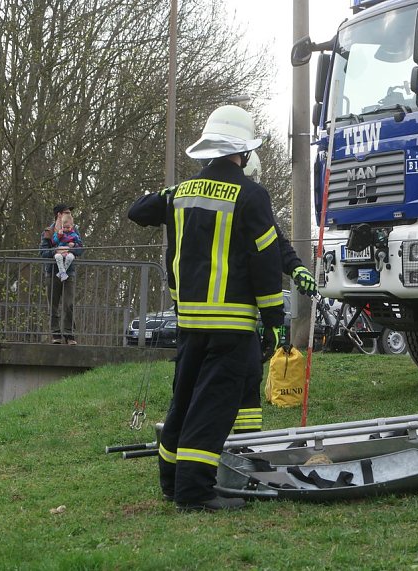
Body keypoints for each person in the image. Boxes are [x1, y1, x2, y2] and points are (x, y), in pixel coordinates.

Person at [128, 105, 284, 512]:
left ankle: (170, 481)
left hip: (189, 321)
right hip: (232, 324)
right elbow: (266, 261)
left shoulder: (181, 194)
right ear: (244, 153)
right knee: (213, 406)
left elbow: (136, 211)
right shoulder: (252, 195)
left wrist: (167, 195)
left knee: (184, 400)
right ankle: (195, 492)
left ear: (209, 148)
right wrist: (274, 321)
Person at [233, 150, 316, 434]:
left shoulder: (248, 205)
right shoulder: (243, 201)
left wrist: (297, 268)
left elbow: (276, 240)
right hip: (231, 312)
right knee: (240, 377)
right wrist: (273, 321)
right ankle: (241, 445)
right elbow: (267, 258)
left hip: (238, 310)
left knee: (245, 376)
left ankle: (242, 442)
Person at [39, 204, 84, 345]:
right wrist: (56, 252)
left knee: (68, 304)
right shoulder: (48, 231)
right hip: (52, 272)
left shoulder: (74, 230)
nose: (70, 214)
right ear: (59, 214)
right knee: (53, 305)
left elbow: (81, 249)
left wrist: (71, 250)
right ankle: (56, 335)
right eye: (67, 212)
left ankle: (69, 335)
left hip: (69, 272)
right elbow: (43, 252)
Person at [51, 212, 83, 282]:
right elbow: (54, 241)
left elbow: (80, 245)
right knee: (57, 257)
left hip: (69, 252)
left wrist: (74, 245)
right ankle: (62, 272)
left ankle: (62, 272)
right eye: (64, 227)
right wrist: (59, 236)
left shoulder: (75, 235)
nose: (66, 229)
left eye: (68, 227)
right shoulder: (59, 233)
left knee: (70, 257)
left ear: (72, 226)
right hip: (60, 251)